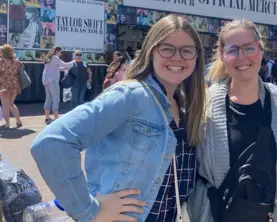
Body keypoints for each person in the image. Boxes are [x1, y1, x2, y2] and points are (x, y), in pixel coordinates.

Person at [31, 15, 206, 222]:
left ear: (196, 57)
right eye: (167, 48)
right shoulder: (132, 95)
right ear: (151, 52)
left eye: (187, 50)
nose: (178, 58)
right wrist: (90, 211)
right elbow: (52, 142)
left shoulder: (185, 105)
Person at [189, 19, 277, 222]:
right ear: (222, 55)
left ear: (261, 51)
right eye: (232, 50)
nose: (242, 57)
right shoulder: (204, 106)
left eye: (249, 48)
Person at [42, 47, 75, 124]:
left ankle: (47, 117)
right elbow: (65, 64)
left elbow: (56, 68)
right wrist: (73, 61)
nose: (61, 54)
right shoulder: (55, 58)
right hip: (53, 80)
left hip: (46, 80)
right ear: (57, 51)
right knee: (56, 98)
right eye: (60, 52)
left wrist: (64, 69)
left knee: (48, 98)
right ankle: (56, 117)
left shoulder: (49, 58)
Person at [0, 45, 23, 128]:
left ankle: (7, 123)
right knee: (11, 104)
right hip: (15, 84)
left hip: (4, 85)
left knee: (5, 105)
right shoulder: (16, 61)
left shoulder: (1, 61)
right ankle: (18, 120)